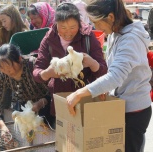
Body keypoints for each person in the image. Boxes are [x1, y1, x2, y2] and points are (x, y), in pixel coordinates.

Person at [66, 1, 152, 152]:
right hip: (120, 105)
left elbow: (115, 76)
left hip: (134, 110)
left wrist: (79, 93)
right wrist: (103, 87)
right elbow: (114, 70)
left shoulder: (130, 39)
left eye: (97, 23)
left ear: (111, 17)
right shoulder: (115, 34)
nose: (96, 28)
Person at [33, 3, 107, 117]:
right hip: (60, 100)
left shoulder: (87, 37)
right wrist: (47, 73)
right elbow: (37, 72)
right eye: (63, 28)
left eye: (73, 27)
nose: (68, 32)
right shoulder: (49, 39)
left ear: (79, 23)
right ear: (56, 24)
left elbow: (103, 70)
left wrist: (93, 63)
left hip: (85, 102)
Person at [0, 44, 54, 135]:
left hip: (47, 107)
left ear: (19, 59)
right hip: (24, 108)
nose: (6, 71)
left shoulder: (33, 65)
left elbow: (54, 89)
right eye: (2, 67)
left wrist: (41, 103)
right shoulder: (2, 75)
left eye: (9, 67)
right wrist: (3, 126)